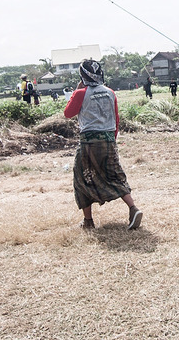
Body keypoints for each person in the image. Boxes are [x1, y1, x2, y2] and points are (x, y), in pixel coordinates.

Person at [63, 59, 142, 230]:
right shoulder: (110, 92)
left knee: (82, 177)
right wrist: (111, 139)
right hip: (108, 140)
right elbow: (116, 118)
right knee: (115, 175)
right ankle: (133, 208)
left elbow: (68, 113)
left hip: (88, 142)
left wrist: (77, 91)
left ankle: (88, 221)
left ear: (82, 75)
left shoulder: (80, 93)